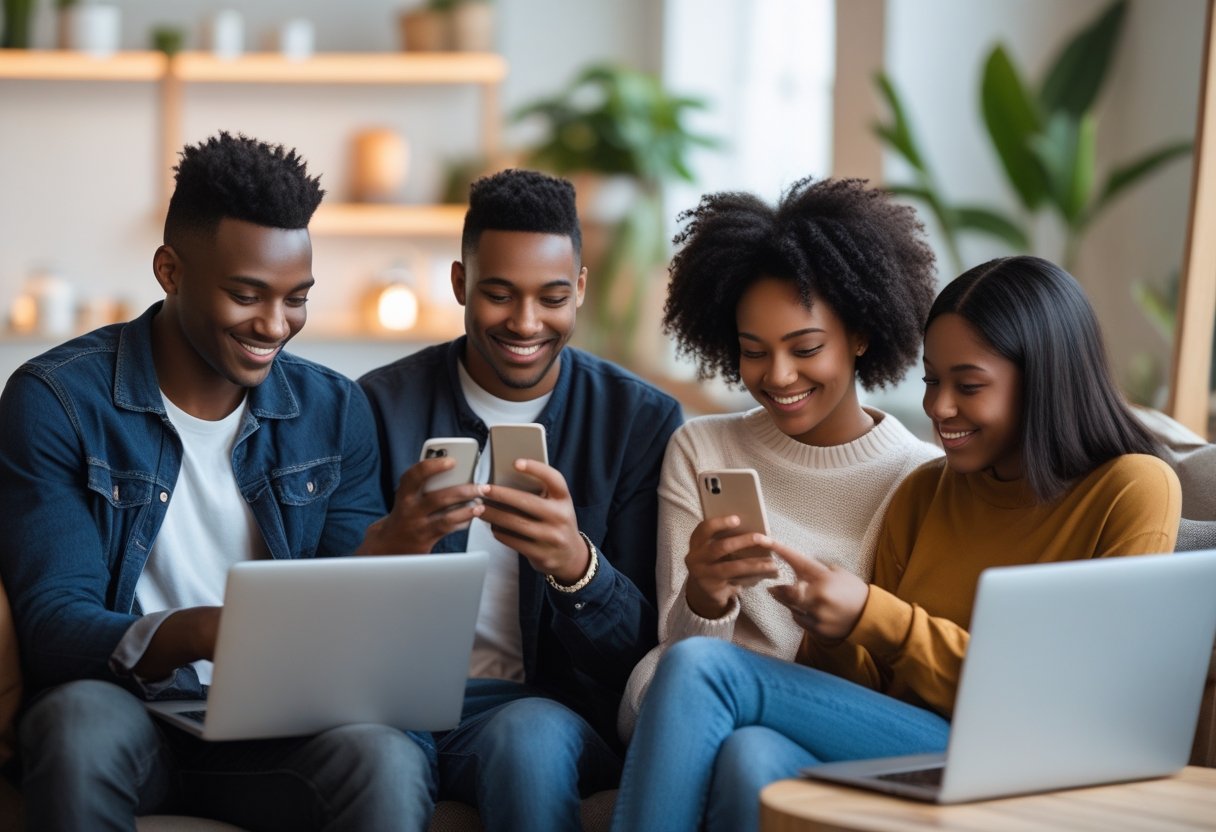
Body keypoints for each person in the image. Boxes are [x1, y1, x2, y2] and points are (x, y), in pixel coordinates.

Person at [609, 255, 1183, 832]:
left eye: (969, 385)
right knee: (751, 754)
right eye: (932, 380)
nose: (939, 407)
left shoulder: (1130, 487)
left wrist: (876, 615)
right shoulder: (925, 491)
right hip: (903, 739)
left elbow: (1087, 702)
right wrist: (831, 627)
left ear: (1043, 380)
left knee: (702, 667)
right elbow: (864, 686)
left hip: (1019, 750)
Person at [0, 132, 434, 831]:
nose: (275, 324)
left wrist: (396, 548)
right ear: (170, 271)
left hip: (274, 728)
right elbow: (56, 625)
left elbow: (348, 614)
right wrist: (215, 632)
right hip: (126, 710)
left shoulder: (333, 410)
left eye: (297, 298)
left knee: (383, 757)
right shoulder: (56, 401)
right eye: (246, 294)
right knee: (76, 724)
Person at [357, 168, 684, 830]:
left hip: (545, 709)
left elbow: (646, 658)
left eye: (552, 297)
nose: (527, 323)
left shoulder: (639, 423)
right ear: (459, 285)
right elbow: (322, 605)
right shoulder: (374, 405)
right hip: (397, 702)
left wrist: (577, 567)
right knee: (372, 752)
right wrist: (392, 544)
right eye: (500, 295)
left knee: (528, 739)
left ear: (581, 290)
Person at [618, 177, 941, 739]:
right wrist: (705, 594)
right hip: (699, 707)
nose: (779, 376)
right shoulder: (702, 447)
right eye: (753, 351)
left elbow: (895, 666)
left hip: (824, 718)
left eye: (806, 348)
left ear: (861, 334)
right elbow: (680, 660)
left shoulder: (920, 475)